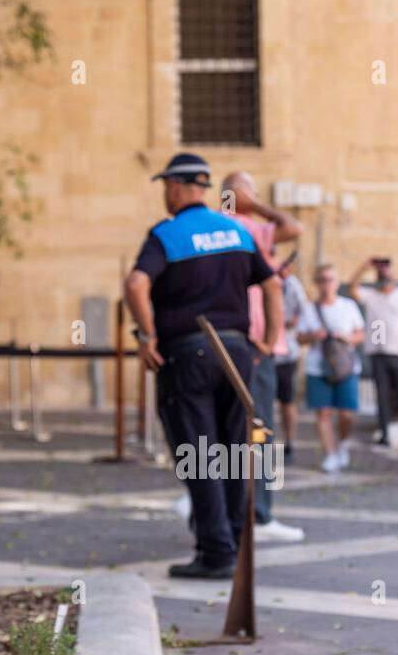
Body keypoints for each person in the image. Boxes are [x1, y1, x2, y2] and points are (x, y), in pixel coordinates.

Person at [124, 152, 282, 579]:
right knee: (232, 453)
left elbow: (136, 284)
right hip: (238, 352)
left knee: (199, 455)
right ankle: (231, 542)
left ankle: (215, 553)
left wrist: (146, 335)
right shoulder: (235, 231)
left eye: (165, 188)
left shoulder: (166, 234)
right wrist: (269, 339)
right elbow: (272, 284)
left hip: (188, 353)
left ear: (175, 187)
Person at [220, 171, 304, 544]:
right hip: (254, 343)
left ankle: (229, 511)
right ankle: (260, 514)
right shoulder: (247, 227)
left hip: (227, 341)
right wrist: (254, 204)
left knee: (227, 429)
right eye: (248, 191)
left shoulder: (216, 230)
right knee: (260, 430)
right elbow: (293, 227)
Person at [347, 258, 398, 449]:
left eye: (387, 272)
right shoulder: (371, 294)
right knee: (381, 397)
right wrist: (364, 267)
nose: (385, 275)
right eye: (382, 273)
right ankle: (384, 435)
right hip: (377, 352)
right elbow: (352, 289)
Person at [297, 263, 365, 472]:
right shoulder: (309, 309)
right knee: (323, 413)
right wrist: (313, 336)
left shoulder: (348, 306)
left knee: (347, 414)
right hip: (318, 367)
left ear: (337, 283)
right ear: (317, 283)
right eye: (323, 280)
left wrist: (346, 337)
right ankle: (330, 453)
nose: (327, 284)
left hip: (346, 366)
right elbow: (299, 337)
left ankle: (342, 443)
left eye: (331, 279)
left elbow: (360, 334)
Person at [274, 253, 308, 461]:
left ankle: (290, 442)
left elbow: (302, 314)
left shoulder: (292, 285)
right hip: (266, 351)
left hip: (287, 351)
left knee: (287, 400)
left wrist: (287, 322)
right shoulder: (265, 278)